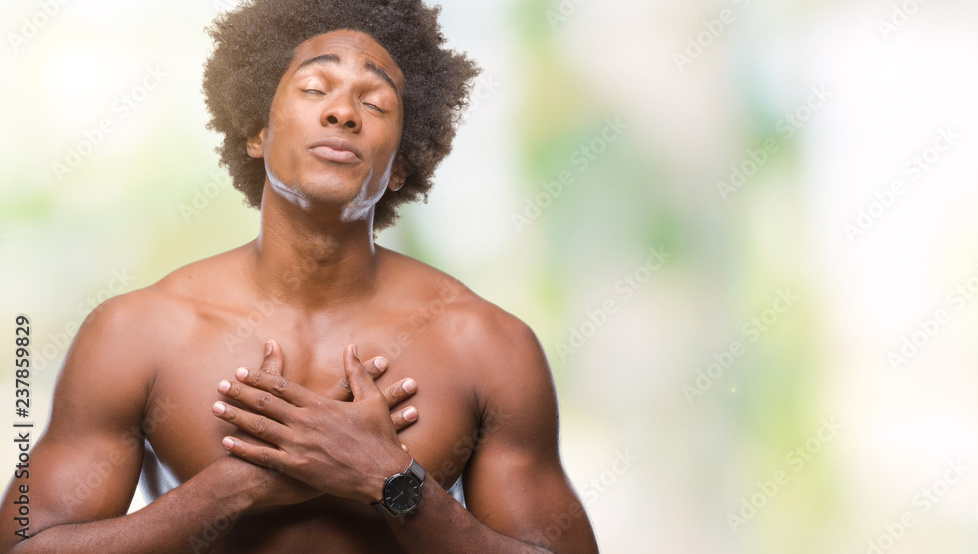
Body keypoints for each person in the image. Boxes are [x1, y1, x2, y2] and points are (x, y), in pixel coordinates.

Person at [0, 0, 600, 552]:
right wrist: (233, 488)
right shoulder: (135, 332)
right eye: (316, 88)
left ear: (399, 166)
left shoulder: (487, 346)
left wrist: (392, 480)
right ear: (257, 132)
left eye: (375, 103)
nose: (343, 112)